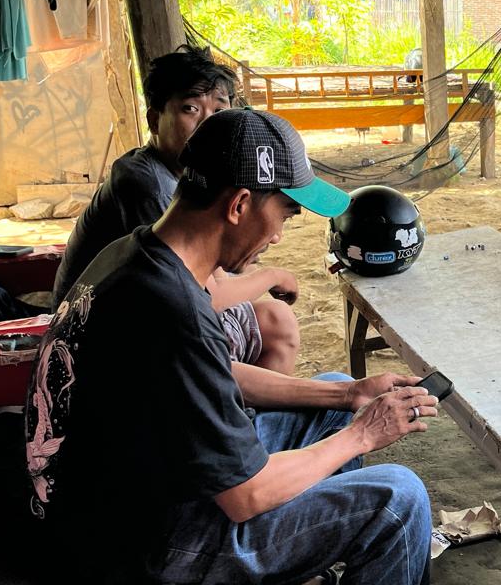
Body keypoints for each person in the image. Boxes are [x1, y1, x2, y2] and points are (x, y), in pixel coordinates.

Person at [24, 108, 436, 584]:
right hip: (140, 546)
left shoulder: (136, 255)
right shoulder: (172, 309)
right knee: (398, 499)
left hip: (113, 501)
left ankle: (309, 552)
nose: (278, 236)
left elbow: (211, 372)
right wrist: (365, 434)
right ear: (239, 204)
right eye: (283, 214)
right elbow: (246, 496)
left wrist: (349, 395)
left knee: (336, 396)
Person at [52, 46, 302, 374]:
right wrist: (274, 276)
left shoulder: (181, 176)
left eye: (219, 109)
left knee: (279, 320)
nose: (209, 122)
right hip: (108, 342)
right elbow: (209, 295)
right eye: (190, 109)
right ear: (155, 119)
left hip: (153, 315)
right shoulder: (148, 185)